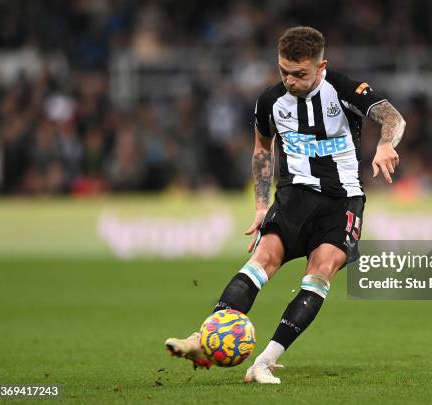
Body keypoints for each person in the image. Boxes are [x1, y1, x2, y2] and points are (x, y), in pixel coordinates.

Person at [165, 26, 406, 384]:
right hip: (294, 196)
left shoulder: (343, 89)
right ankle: (202, 340)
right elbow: (263, 149)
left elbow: (392, 117)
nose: (290, 81)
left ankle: (264, 361)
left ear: (320, 66)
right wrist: (261, 205)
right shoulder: (270, 101)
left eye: (300, 74)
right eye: (284, 72)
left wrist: (386, 144)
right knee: (261, 260)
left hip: (343, 201)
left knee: (320, 271)